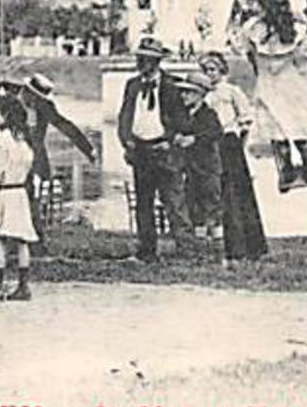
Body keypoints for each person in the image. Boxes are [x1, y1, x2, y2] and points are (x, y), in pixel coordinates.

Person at [243, 0, 307, 192]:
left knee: (277, 131)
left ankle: (285, 170)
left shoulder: (253, 30)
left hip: (268, 88)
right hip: (294, 87)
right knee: (304, 124)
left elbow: (244, 49)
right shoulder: (295, 31)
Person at [115, 36, 193, 262]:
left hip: (165, 149)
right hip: (141, 150)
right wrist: (126, 141)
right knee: (144, 202)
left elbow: (183, 120)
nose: (142, 63)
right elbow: (124, 116)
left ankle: (186, 250)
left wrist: (170, 140)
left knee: (174, 201)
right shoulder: (132, 85)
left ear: (157, 61)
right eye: (140, 58)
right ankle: (146, 251)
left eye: (147, 59)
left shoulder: (173, 86)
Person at [5, 72, 96, 243]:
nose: (35, 102)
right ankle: (13, 235)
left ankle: (35, 238)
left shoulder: (44, 106)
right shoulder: (8, 101)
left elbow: (64, 125)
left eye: (39, 98)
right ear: (26, 91)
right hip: (9, 158)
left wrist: (88, 149)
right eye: (33, 97)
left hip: (35, 160)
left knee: (34, 197)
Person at [198, 50, 268, 264]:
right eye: (206, 70)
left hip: (230, 143)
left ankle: (250, 246)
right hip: (210, 144)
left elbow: (246, 119)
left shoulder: (231, 91)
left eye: (213, 70)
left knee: (238, 194)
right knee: (218, 194)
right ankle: (226, 245)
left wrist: (239, 142)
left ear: (222, 70)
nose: (209, 74)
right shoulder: (204, 94)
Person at [0, 96, 39, 301]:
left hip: (4, 193)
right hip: (20, 193)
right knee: (22, 240)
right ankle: (24, 286)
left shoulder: (0, 141)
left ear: (5, 115)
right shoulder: (24, 140)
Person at [171, 74, 223, 243]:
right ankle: (200, 234)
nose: (183, 96)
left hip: (208, 166)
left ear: (200, 94)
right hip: (190, 166)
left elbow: (215, 132)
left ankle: (216, 234)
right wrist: (177, 137)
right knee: (193, 198)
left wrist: (194, 139)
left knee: (211, 200)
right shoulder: (184, 115)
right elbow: (176, 129)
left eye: (188, 92)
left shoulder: (208, 114)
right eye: (182, 92)